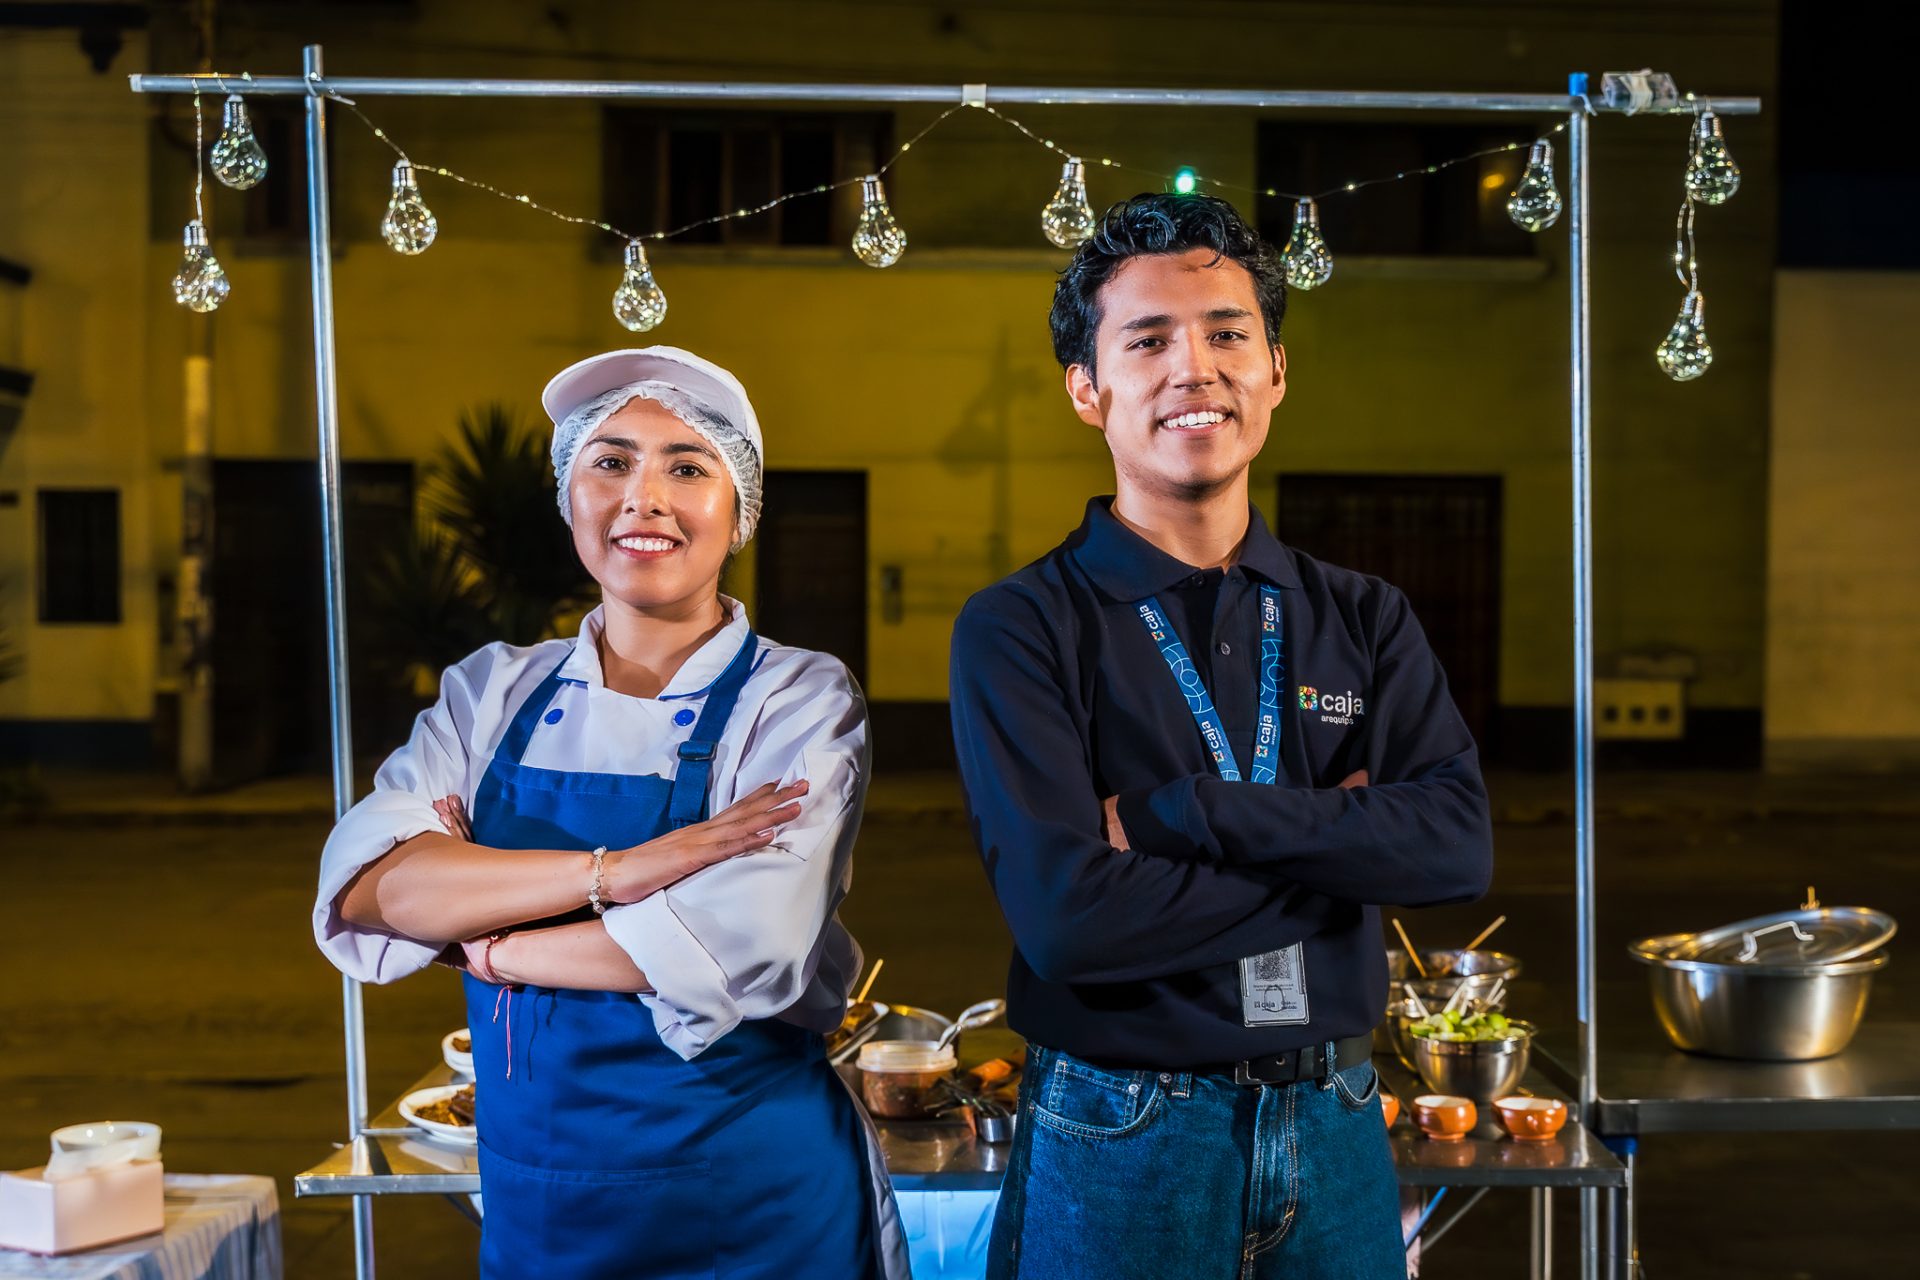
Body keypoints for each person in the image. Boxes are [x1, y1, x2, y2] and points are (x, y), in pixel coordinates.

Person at [949, 194, 1494, 1278]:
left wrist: (1183, 812)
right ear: (1086, 389)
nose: (1192, 366)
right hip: (1125, 1126)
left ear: (1276, 371)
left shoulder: (1364, 615)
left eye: (1226, 332)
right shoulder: (1024, 625)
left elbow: (1453, 847)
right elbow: (1068, 922)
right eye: (1147, 340)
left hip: (1337, 1117)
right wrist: (1341, 841)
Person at [313, 347, 906, 1280]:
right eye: (610, 460)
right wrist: (620, 873)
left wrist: (499, 942)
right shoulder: (491, 690)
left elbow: (751, 935)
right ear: (569, 500)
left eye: (686, 466)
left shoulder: (797, 698)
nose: (644, 497)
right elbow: (373, 889)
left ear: (740, 510)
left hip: (747, 1204)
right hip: (539, 1203)